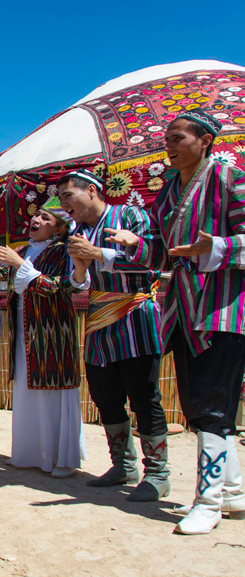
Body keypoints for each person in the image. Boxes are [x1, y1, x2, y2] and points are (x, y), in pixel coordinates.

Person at [104, 110, 245, 533]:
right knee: (200, 404)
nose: (169, 145)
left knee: (211, 404)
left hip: (222, 308)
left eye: (178, 137)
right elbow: (163, 253)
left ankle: (208, 502)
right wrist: (135, 243)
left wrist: (216, 246)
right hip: (183, 308)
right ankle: (233, 491)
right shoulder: (168, 191)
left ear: (205, 140)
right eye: (167, 138)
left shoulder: (230, 179)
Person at [59, 168, 170, 503]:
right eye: (61, 199)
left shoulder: (131, 216)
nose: (64, 205)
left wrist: (98, 254)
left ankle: (158, 475)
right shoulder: (77, 232)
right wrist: (80, 269)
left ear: (92, 191)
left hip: (136, 316)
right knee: (105, 396)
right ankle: (123, 465)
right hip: (98, 322)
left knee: (144, 396)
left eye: (68, 196)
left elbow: (153, 261)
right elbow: (75, 284)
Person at [0, 197, 86, 476]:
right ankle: (30, 453)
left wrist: (20, 264)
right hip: (25, 333)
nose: (36, 220)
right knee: (27, 389)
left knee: (53, 391)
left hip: (52, 333)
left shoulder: (63, 251)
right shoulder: (23, 250)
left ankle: (62, 459)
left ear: (59, 229)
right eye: (37, 215)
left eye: (46, 218)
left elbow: (63, 287)